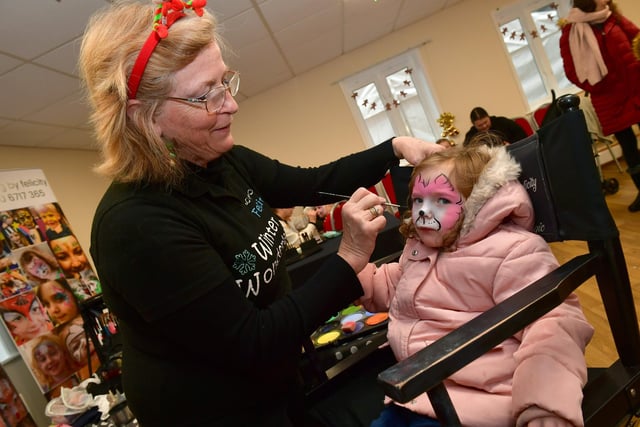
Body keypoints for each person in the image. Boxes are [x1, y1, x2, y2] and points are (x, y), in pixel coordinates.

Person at [78, 1, 442, 425]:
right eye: (205, 95)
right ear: (146, 119)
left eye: (225, 82)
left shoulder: (220, 161)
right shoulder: (136, 226)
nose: (230, 105)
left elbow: (312, 183)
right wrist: (349, 256)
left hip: (276, 382)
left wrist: (394, 147)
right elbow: (254, 340)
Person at [358, 142, 594, 426]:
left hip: (485, 401)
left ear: (476, 202)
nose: (423, 212)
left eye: (441, 200)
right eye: (418, 200)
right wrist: (354, 272)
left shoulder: (512, 251)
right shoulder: (420, 248)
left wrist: (545, 405)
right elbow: (394, 285)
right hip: (419, 391)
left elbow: (553, 324)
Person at [559, 0, 640, 212]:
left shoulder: (613, 17)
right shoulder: (571, 31)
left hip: (636, 87)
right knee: (629, 146)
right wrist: (596, 85)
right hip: (609, 97)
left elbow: (637, 39)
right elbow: (572, 71)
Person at [463, 107, 528, 146]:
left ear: (488, 117)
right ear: (474, 125)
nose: (484, 126)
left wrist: (511, 144)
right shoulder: (471, 136)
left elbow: (522, 134)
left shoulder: (502, 122)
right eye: (480, 125)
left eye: (486, 122)